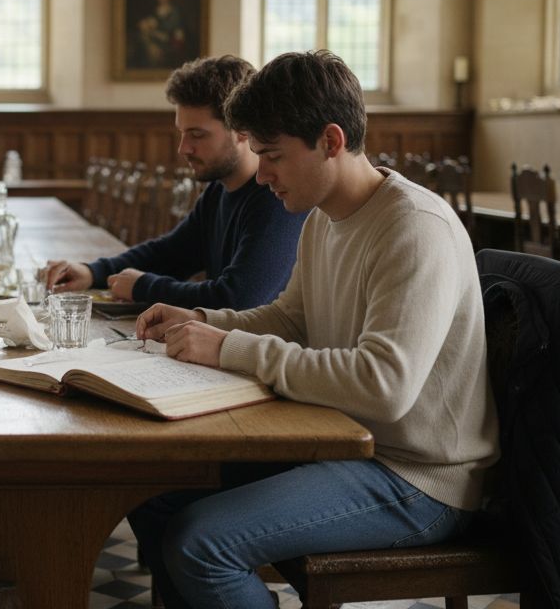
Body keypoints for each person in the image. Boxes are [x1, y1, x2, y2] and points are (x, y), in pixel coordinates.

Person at [129, 50, 499, 608]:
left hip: (418, 477)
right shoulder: (323, 218)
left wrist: (229, 347)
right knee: (150, 493)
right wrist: (203, 320)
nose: (264, 173)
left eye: (272, 155)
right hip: (348, 446)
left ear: (330, 141)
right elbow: (289, 319)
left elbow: (384, 385)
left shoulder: (414, 228)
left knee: (201, 542)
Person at [43, 55, 306, 310]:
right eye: (182, 133)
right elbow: (169, 253)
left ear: (241, 130)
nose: (184, 148)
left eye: (197, 135)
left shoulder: (276, 197)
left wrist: (144, 286)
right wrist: (92, 272)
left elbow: (238, 299)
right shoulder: (219, 189)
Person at [130, 0, 188, 69]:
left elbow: (178, 35)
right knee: (140, 38)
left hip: (167, 43)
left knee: (153, 51)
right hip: (154, 39)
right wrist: (147, 25)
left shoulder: (175, 12)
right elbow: (149, 24)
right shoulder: (155, 10)